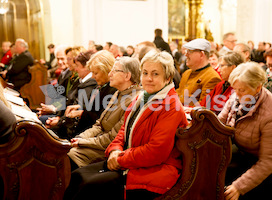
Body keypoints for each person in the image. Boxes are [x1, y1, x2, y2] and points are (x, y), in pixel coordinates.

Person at [64, 50, 188, 200]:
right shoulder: (142, 97)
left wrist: (120, 158)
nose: (148, 78)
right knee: (78, 176)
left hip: (154, 170)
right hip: (131, 160)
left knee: (88, 186)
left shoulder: (171, 105)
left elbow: (156, 151)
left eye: (155, 74)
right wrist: (115, 150)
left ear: (167, 78)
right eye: (145, 73)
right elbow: (123, 131)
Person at [218, 62, 272, 200]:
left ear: (257, 88)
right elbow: (220, 123)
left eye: (242, 90)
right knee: (215, 173)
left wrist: (239, 187)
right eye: (235, 88)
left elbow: (269, 161)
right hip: (250, 153)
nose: (236, 94)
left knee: (234, 191)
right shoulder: (237, 97)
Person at [67, 56, 142, 169]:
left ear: (127, 76)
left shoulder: (134, 100)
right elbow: (99, 125)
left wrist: (83, 142)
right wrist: (80, 137)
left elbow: (113, 138)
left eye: (114, 71)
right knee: (66, 150)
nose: (110, 74)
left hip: (110, 149)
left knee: (70, 155)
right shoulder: (118, 93)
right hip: (99, 142)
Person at [60, 50, 117, 138]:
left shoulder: (112, 90)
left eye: (95, 73)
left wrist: (81, 113)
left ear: (107, 70)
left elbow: (100, 119)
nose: (93, 77)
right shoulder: (102, 86)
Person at [176, 38, 221, 106]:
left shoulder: (212, 78)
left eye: (190, 52)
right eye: (186, 51)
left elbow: (203, 108)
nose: (186, 55)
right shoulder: (186, 73)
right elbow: (178, 94)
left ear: (201, 54)